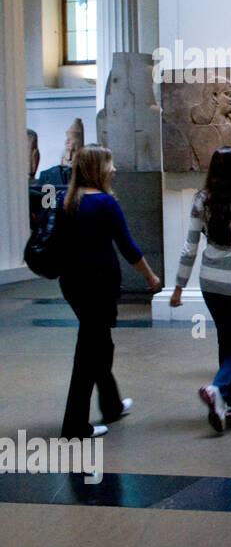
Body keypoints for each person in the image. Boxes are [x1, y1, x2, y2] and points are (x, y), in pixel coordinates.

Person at [57, 145, 162, 439]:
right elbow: (128, 248)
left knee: (100, 345)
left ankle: (112, 405)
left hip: (73, 285)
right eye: (110, 163)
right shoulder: (104, 203)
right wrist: (151, 277)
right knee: (90, 353)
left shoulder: (68, 202)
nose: (114, 169)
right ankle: (75, 425)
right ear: (98, 169)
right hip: (98, 287)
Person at [170, 147, 231, 433]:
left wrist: (178, 287)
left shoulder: (201, 201)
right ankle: (219, 388)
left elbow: (189, 248)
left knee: (226, 338)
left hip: (210, 282)